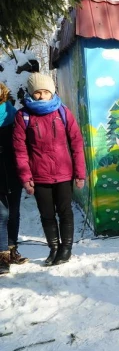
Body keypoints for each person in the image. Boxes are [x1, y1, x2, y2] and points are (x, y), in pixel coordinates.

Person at [13, 73, 86, 266]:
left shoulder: (63, 112)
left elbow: (77, 144)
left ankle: (66, 249)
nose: (42, 96)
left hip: (63, 173)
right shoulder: (23, 116)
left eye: (45, 91)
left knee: (65, 212)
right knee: (46, 214)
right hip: (39, 175)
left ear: (52, 91)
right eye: (37, 92)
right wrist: (26, 176)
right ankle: (54, 249)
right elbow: (20, 150)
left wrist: (80, 173)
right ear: (31, 93)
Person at [0, 83, 28, 275]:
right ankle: (2, 257)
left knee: (14, 213)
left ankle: (12, 249)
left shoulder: (13, 115)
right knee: (1, 215)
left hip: (13, 171)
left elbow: (22, 144)